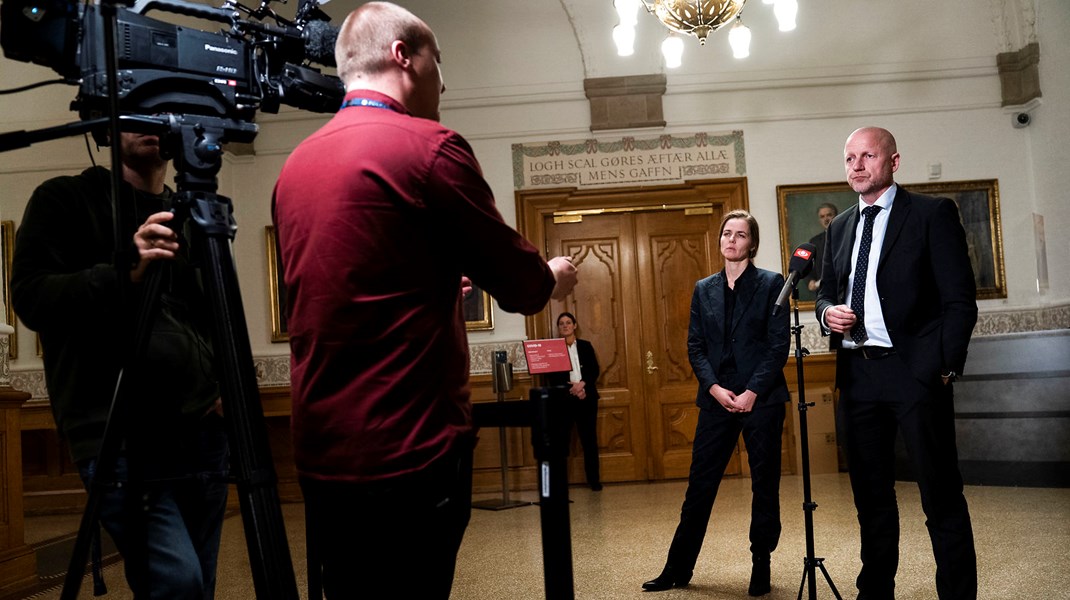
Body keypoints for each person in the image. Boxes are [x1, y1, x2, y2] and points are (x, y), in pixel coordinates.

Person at [270, 3, 578, 598]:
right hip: (408, 446)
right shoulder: (430, 148)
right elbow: (519, 286)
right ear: (403, 55)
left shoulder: (296, 165)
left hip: (322, 449)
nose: (445, 80)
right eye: (440, 61)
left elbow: (348, 285)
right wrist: (552, 276)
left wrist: (436, 281)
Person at [11, 131, 229, 598]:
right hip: (120, 439)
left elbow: (211, 315)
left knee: (200, 586)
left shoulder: (193, 211)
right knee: (178, 584)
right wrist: (124, 270)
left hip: (201, 436)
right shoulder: (66, 200)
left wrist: (221, 388)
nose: (150, 118)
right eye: (137, 103)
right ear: (103, 124)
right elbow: (31, 297)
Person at [815, 127, 978, 600]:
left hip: (916, 374)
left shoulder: (931, 214)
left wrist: (943, 368)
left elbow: (959, 301)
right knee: (870, 497)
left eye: (867, 156)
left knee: (940, 496)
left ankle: (957, 593)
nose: (857, 166)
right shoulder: (840, 226)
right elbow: (826, 292)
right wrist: (828, 313)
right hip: (858, 376)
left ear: (893, 162)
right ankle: (876, 591)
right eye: (849, 158)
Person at [643, 209, 790, 597]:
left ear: (752, 244)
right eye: (727, 233)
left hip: (761, 399)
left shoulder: (773, 283)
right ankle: (677, 569)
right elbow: (694, 346)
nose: (732, 240)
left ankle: (761, 565)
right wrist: (713, 388)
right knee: (699, 487)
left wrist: (751, 392)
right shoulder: (703, 287)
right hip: (716, 400)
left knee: (765, 486)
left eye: (740, 235)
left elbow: (778, 347)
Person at [545, 312, 602, 491]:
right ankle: (559, 483)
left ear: (574, 325)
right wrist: (572, 389)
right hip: (564, 400)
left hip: (587, 398)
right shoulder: (553, 349)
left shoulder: (585, 346)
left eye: (568, 322)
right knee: (562, 443)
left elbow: (594, 369)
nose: (565, 326)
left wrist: (582, 385)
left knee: (589, 442)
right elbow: (551, 376)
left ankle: (594, 481)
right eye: (561, 323)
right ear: (558, 328)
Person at [805, 202, 839, 292]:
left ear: (836, 216)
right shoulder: (814, 242)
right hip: (824, 291)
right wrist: (811, 281)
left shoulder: (847, 236)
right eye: (822, 216)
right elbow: (809, 267)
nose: (826, 219)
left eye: (829, 215)